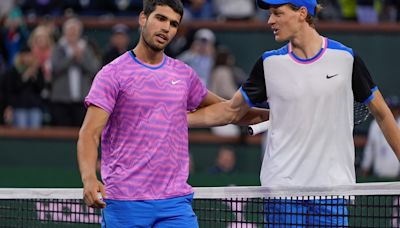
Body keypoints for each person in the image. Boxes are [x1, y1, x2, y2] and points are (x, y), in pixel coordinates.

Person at [188, 0, 400, 226]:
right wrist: (177, 119)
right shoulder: (269, 63)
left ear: (301, 13)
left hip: (331, 191)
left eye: (277, 13)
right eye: (270, 14)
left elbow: (383, 114)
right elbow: (230, 111)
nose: (270, 20)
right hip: (282, 192)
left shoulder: (346, 59)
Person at [77, 0, 267, 227]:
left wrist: (274, 116)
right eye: (160, 19)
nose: (167, 28)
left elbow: (229, 110)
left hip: (175, 204)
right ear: (143, 19)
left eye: (174, 24)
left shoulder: (184, 74)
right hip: (125, 202)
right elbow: (89, 133)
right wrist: (89, 178)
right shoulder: (112, 74)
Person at [50, 17, 100, 127]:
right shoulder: (58, 48)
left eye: (75, 31)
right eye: (70, 31)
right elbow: (55, 68)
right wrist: (72, 57)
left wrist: (80, 59)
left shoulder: (86, 48)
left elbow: (93, 69)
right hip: (61, 100)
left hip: (82, 99)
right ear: (65, 32)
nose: (72, 34)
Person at [361, 95, 400, 178]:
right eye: (390, 108)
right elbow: (370, 148)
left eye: (395, 108)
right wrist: (365, 167)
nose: (392, 111)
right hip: (379, 175)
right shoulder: (375, 125)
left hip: (397, 176)